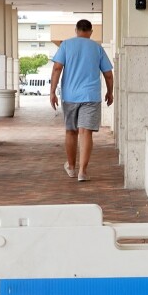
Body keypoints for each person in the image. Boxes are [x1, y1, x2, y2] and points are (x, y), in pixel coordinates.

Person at [49, 19, 114, 182]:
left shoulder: (66, 45)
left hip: (70, 96)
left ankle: (71, 167)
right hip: (91, 96)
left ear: (76, 30)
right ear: (91, 32)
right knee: (86, 133)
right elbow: (108, 74)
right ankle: (83, 172)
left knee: (71, 131)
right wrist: (110, 92)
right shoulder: (97, 48)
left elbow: (57, 68)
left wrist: (52, 92)